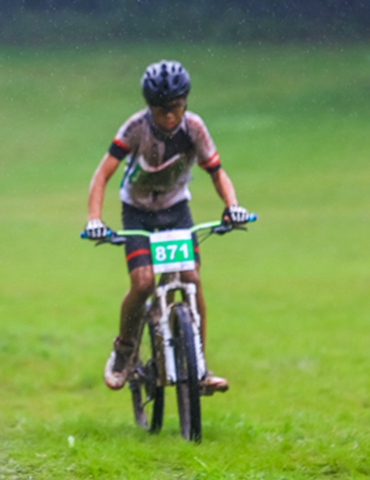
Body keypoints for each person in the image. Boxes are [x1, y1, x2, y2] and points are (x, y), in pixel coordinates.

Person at [82, 60, 251, 395]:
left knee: (192, 278)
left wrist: (232, 206)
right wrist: (94, 220)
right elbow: (102, 175)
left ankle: (199, 368)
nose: (169, 116)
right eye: (161, 110)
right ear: (149, 107)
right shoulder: (135, 128)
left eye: (175, 107)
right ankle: (125, 348)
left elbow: (217, 171)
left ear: (185, 101)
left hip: (176, 211)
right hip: (138, 212)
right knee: (143, 282)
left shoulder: (195, 128)